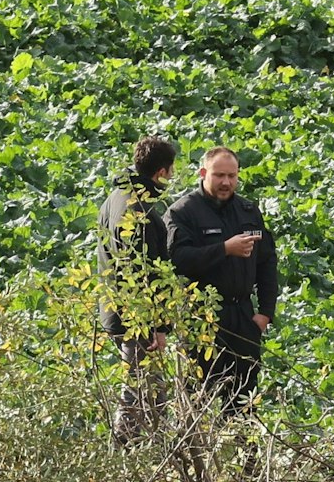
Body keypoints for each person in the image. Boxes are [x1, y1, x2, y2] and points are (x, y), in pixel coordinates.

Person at [164, 146, 278, 413]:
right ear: (203, 173)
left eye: (232, 176)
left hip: (243, 318)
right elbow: (178, 260)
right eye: (219, 175)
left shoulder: (248, 211)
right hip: (200, 319)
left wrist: (265, 313)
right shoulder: (183, 212)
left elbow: (267, 263)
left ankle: (242, 441)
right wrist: (224, 249)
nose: (226, 182)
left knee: (243, 400)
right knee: (196, 399)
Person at [97, 135, 177, 444]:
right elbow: (140, 274)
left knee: (150, 391)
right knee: (138, 391)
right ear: (161, 172)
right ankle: (126, 453)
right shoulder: (138, 212)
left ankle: (160, 452)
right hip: (136, 319)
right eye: (171, 171)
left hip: (116, 311)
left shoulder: (116, 197)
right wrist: (158, 326)